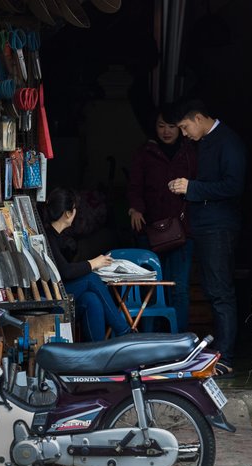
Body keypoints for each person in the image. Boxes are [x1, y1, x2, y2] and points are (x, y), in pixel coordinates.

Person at [168, 99, 246, 376]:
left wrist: (193, 188)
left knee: (220, 292)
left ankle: (225, 355)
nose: (184, 133)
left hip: (219, 227)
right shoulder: (198, 144)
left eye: (185, 127)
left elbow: (233, 185)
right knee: (213, 291)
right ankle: (219, 351)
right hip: (202, 224)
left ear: (199, 118)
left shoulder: (228, 142)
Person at [127, 104, 197, 333]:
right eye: (160, 126)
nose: (166, 131)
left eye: (171, 126)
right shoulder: (144, 153)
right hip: (150, 231)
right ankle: (151, 337)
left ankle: (179, 339)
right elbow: (134, 186)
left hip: (182, 230)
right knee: (151, 288)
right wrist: (135, 209)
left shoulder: (189, 152)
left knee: (179, 288)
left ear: (180, 128)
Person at [44, 188, 132, 342]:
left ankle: (97, 354)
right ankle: (124, 332)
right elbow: (66, 272)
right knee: (91, 279)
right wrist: (94, 263)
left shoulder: (58, 237)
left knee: (91, 299)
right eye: (74, 208)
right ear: (68, 213)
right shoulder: (48, 237)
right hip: (49, 302)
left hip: (60, 297)